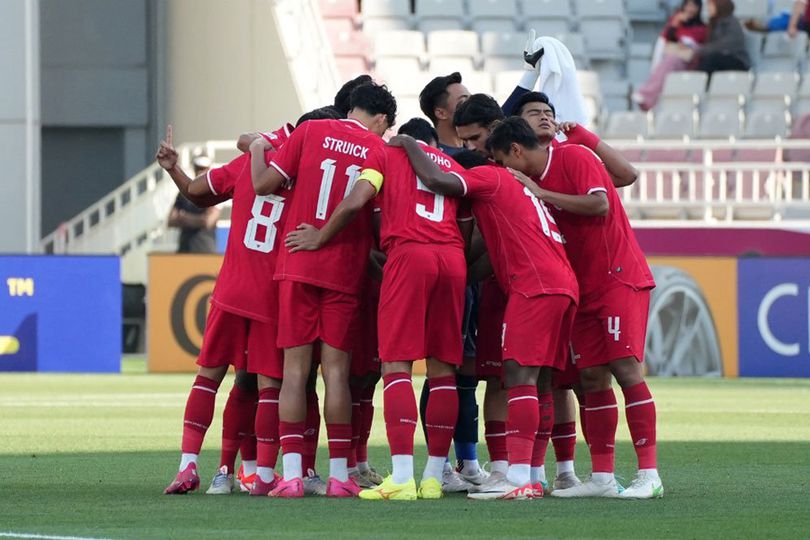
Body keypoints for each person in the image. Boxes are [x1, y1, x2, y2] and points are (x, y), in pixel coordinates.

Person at [383, 132, 579, 501]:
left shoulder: (488, 177)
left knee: (518, 376)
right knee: (540, 382)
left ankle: (518, 476)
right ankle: (534, 473)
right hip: (561, 284)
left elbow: (439, 180)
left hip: (535, 286)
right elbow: (486, 257)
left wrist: (409, 144)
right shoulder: (514, 194)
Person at [285, 117, 473, 500]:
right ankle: (434, 477)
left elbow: (356, 200)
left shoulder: (383, 155)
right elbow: (467, 224)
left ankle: (402, 477)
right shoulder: (451, 165)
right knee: (443, 368)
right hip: (453, 259)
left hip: (409, 253)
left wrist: (321, 236)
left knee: (396, 364)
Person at [491, 114, 662, 500]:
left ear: (516, 150)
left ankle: (649, 474)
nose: (505, 171)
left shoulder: (574, 158)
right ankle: (602, 477)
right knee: (590, 379)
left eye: (504, 161)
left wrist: (541, 193)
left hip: (618, 278)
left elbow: (599, 205)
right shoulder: (530, 182)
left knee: (625, 369)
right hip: (582, 288)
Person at [252, 82, 396, 498]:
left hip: (297, 265)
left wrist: (260, 146)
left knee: (294, 373)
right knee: (336, 373)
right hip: (343, 271)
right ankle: (337, 477)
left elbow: (263, 184)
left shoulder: (310, 132)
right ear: (382, 120)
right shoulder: (377, 151)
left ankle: (293, 476)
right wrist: (326, 237)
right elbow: (356, 200)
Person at [156, 121, 289, 496]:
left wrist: (173, 169)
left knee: (208, 379)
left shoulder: (248, 162)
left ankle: (188, 466)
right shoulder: (301, 171)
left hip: (232, 288)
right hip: (271, 294)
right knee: (268, 387)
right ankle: (262, 473)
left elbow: (197, 193)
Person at [633, 0, 708, 111]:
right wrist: (675, 22)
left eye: (694, 6)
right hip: (675, 55)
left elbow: (705, 46)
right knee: (668, 61)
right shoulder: (677, 23)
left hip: (690, 59)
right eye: (688, 5)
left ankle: (647, 95)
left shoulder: (703, 28)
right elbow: (666, 38)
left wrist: (691, 47)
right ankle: (648, 100)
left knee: (670, 61)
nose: (690, 9)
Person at [167, 154, 220, 253]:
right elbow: (170, 221)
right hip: (184, 250)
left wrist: (182, 217)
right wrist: (197, 220)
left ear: (209, 169)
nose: (201, 171)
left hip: (205, 250)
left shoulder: (215, 193)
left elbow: (208, 221)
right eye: (198, 168)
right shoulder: (183, 193)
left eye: (204, 168)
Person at [695, 0, 751, 75]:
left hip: (737, 60)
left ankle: (698, 82)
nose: (708, 9)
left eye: (710, 5)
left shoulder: (732, 22)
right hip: (720, 59)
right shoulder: (713, 23)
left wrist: (700, 50)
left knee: (712, 59)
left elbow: (726, 45)